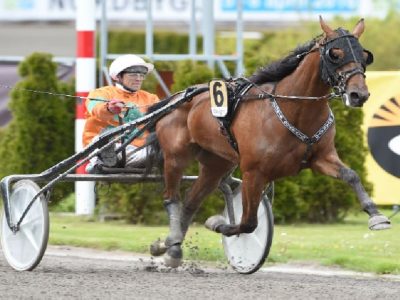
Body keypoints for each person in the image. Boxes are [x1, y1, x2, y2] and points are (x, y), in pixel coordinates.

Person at [82, 54, 159, 172]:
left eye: (142, 75)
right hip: (110, 147)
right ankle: (103, 159)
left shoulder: (151, 98)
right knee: (105, 141)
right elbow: (96, 109)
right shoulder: (100, 93)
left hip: (140, 152)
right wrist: (109, 108)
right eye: (133, 74)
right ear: (118, 77)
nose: (138, 79)